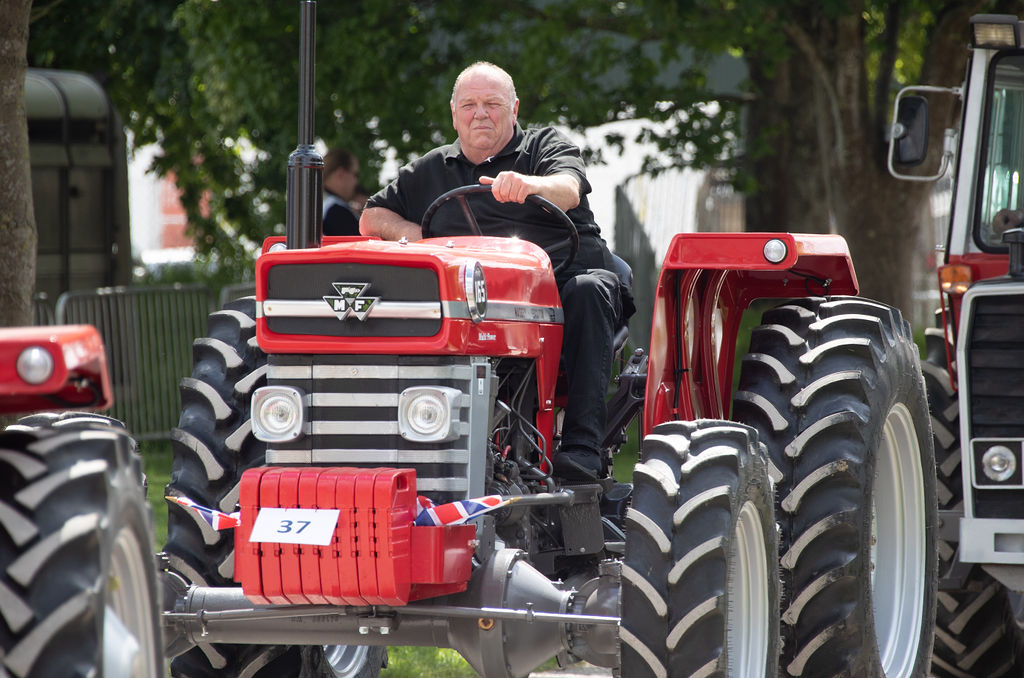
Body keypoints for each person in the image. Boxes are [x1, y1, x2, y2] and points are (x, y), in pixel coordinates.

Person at [361, 61, 632, 481]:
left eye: (492, 103)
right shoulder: (432, 169)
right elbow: (372, 216)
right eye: (469, 104)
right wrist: (415, 235)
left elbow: (569, 187)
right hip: (478, 302)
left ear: (514, 108)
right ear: (454, 113)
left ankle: (582, 448)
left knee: (589, 288)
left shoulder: (544, 147)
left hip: (559, 290)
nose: (480, 113)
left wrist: (531, 185)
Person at [323, 148, 361, 236]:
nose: (356, 182)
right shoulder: (336, 211)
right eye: (355, 174)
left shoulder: (320, 205)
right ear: (341, 173)